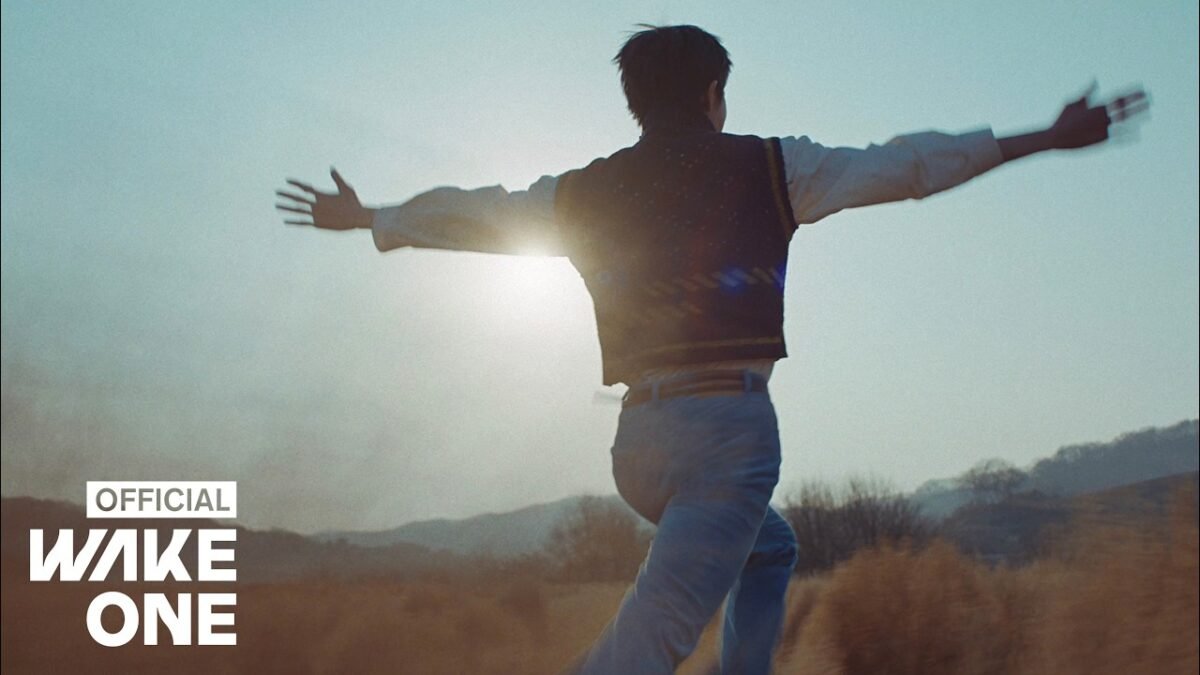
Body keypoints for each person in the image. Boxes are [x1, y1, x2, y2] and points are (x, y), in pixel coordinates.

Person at [276, 24, 1147, 675]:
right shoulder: (772, 166)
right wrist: (1044, 136)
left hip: (639, 450)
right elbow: (909, 165)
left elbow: (480, 213)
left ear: (636, 101)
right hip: (728, 436)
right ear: (714, 92)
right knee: (652, 636)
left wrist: (372, 217)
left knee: (771, 549)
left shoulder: (581, 192)